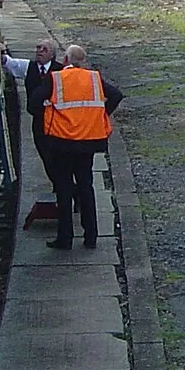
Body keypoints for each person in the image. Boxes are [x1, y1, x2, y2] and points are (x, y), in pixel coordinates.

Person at [42, 44, 125, 250]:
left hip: (62, 142)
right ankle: (91, 237)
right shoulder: (94, 78)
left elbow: (33, 103)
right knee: (86, 186)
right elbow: (115, 94)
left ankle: (65, 237)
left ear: (65, 60)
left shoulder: (56, 78)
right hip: (87, 141)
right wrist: (99, 114)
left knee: (64, 188)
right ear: (83, 61)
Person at [4, 39, 64, 199]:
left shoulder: (61, 70)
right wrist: (0, 51)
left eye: (45, 49)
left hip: (58, 122)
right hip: (39, 121)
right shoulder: (29, 67)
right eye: (38, 47)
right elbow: (10, 64)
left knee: (58, 157)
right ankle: (60, 185)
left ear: (52, 54)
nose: (40, 51)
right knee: (45, 156)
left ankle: (65, 189)